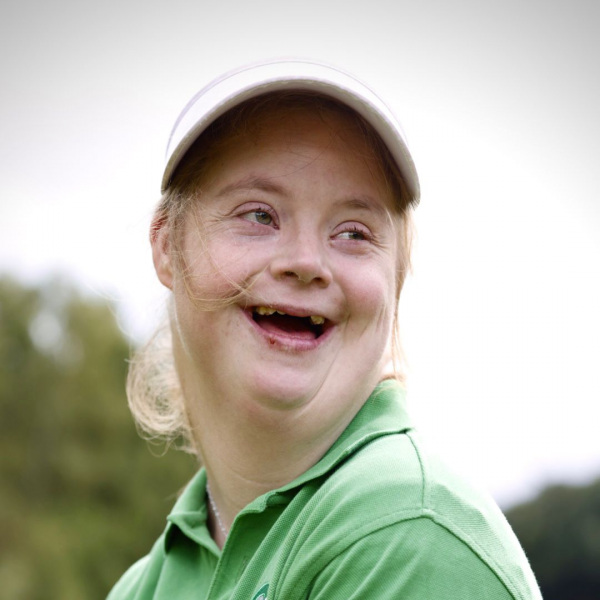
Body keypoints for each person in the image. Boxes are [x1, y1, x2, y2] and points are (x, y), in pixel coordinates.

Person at [108, 59, 542, 599]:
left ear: (396, 279)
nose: (306, 261)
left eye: (353, 232)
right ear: (167, 245)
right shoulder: (141, 588)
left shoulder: (406, 537)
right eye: (260, 215)